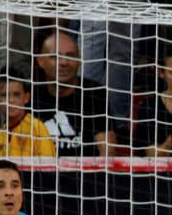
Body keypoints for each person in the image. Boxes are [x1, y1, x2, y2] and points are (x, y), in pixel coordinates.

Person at [29, 27, 118, 157]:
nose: (64, 62)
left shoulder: (94, 93)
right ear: (41, 61)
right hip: (40, 174)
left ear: (79, 61)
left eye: (70, 56)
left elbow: (107, 148)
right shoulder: (30, 94)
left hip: (84, 174)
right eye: (55, 57)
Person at [0, 74, 57, 158]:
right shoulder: (0, 135)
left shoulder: (37, 128)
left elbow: (49, 167)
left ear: (26, 97)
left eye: (17, 94)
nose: (11, 100)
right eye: (5, 95)